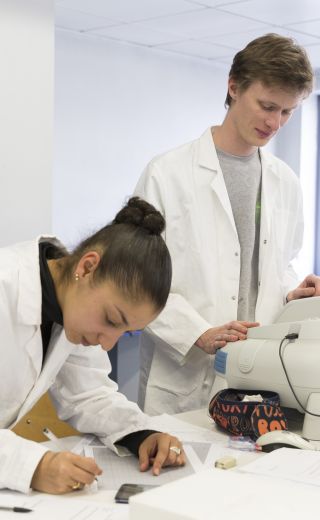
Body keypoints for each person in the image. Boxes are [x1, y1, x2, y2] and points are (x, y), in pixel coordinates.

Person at [134, 33, 320, 416]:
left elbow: (279, 262)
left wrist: (291, 293)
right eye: (267, 106)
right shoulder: (167, 174)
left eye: (287, 112)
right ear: (234, 87)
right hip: (183, 377)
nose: (275, 123)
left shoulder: (284, 181)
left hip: (259, 371)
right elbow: (135, 277)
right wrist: (196, 332)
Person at [0, 197, 185, 494]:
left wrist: (142, 434)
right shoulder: (6, 284)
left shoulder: (71, 306)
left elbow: (89, 394)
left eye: (126, 333)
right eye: (112, 319)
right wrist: (33, 466)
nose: (108, 342)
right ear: (87, 267)